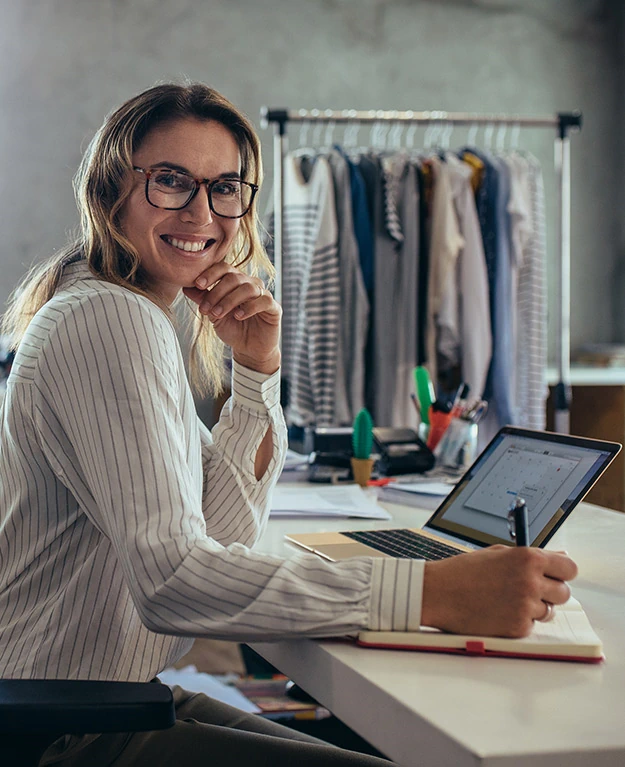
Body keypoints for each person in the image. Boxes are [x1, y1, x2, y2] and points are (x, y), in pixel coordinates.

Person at [0, 82, 577, 766]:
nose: (202, 211)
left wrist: (255, 370)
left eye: (224, 187)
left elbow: (222, 537)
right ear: (108, 192)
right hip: (63, 729)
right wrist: (433, 591)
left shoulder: (128, 315)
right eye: (171, 181)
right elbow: (174, 582)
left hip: (105, 699)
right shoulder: (109, 319)